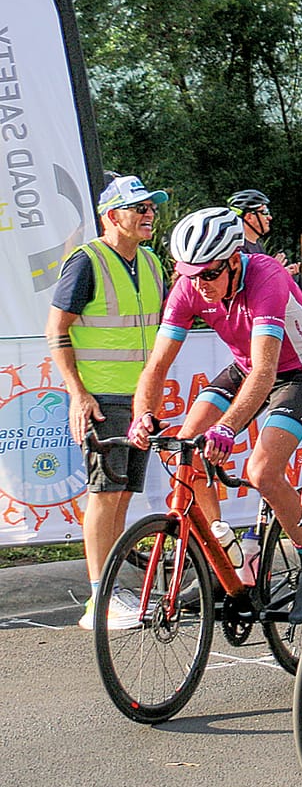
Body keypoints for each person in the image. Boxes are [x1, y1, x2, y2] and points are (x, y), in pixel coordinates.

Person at [130, 207, 302, 622]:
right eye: (190, 274)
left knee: (262, 471)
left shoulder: (266, 278)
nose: (199, 284)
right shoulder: (190, 288)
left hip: (298, 371)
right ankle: (225, 555)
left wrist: (227, 428)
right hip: (247, 368)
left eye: (208, 274)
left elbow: (266, 370)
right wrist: (142, 415)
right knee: (184, 450)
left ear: (233, 261)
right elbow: (156, 365)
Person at [47, 175, 170, 629]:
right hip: (102, 397)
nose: (148, 214)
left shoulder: (153, 263)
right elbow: (56, 329)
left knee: (121, 496)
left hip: (140, 400)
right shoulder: (87, 261)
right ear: (111, 215)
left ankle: (113, 588)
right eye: (138, 207)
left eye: (151, 207)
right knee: (105, 493)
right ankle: (99, 599)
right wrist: (79, 394)